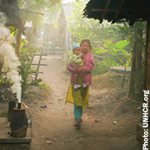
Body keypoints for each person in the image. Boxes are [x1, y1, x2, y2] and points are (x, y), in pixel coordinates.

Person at [65, 39, 94, 127]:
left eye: (87, 46)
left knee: (81, 97)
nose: (85, 47)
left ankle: (79, 115)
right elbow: (69, 67)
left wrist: (82, 68)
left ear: (89, 47)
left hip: (85, 81)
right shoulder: (75, 54)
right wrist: (76, 70)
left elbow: (91, 67)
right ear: (80, 46)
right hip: (76, 80)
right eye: (83, 45)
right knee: (77, 97)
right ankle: (78, 118)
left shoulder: (90, 56)